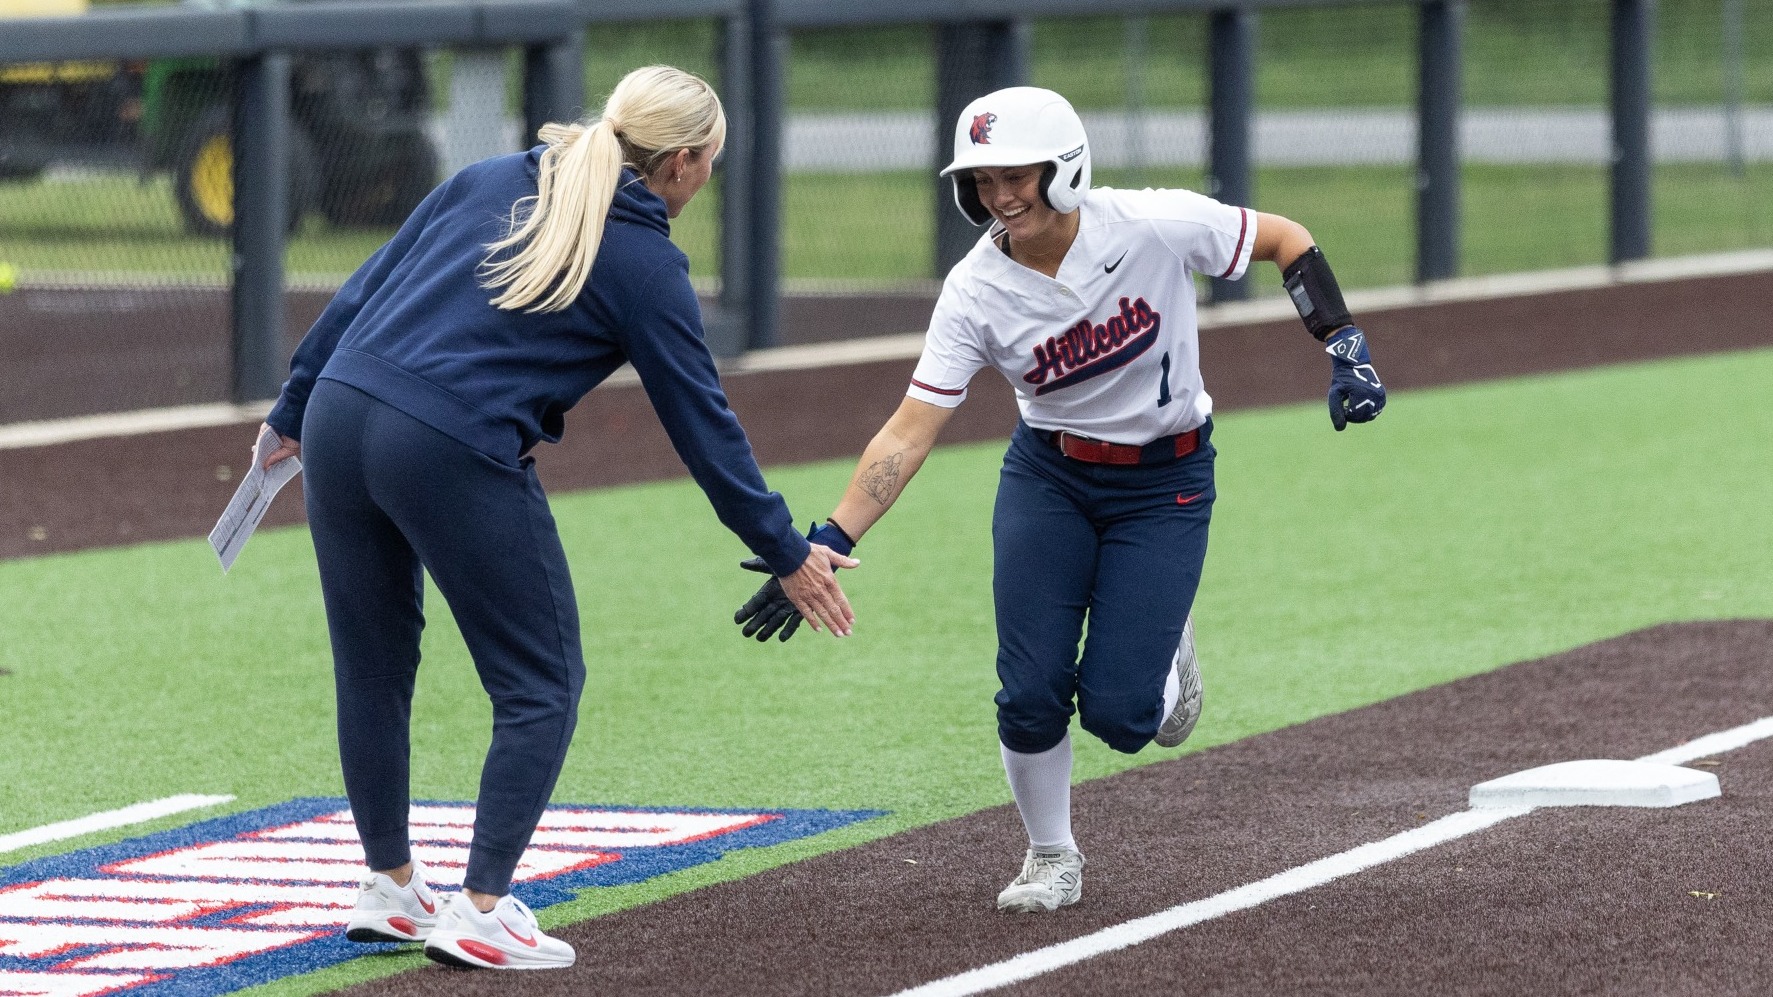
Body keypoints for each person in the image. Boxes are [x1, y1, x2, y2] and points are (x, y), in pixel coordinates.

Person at [254, 65, 857, 970]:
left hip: (339, 416)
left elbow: (361, 290)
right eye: (710, 165)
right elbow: (704, 428)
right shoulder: (647, 260)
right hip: (444, 443)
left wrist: (293, 404)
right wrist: (786, 550)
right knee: (542, 683)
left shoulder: (491, 176)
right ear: (687, 162)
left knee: (372, 668)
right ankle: (481, 909)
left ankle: (390, 885)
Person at [735, 86, 1384, 913]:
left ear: (1065, 166)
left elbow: (1285, 239)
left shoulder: (1150, 222)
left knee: (1119, 715)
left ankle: (1160, 644)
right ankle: (1051, 855)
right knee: (1030, 686)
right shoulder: (974, 289)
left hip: (1166, 480)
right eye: (981, 181)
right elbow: (907, 430)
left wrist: (1344, 344)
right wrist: (822, 538)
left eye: (1018, 175)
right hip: (1050, 478)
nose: (1001, 197)